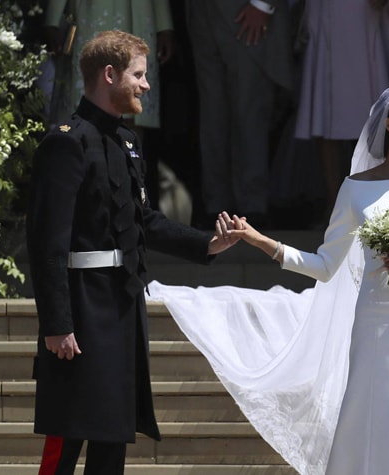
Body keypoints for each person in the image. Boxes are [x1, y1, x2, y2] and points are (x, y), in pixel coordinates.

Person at [149, 79, 389, 474]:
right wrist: (262, 241)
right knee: (376, 420)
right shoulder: (356, 188)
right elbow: (326, 265)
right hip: (376, 323)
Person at [26, 30, 239, 475]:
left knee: (112, 437)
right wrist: (57, 324)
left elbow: (142, 220)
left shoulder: (126, 141)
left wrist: (206, 243)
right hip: (82, 311)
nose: (145, 85)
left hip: (121, 307)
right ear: (109, 75)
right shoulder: (67, 141)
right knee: (66, 440)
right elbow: (48, 243)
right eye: (138, 75)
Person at [44, 0, 174, 208]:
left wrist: (164, 25)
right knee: (87, 111)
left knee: (132, 116)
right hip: (92, 16)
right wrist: (53, 19)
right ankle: (85, 204)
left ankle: (130, 206)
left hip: (138, 15)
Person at [185, 0, 293, 227]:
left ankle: (252, 206)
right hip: (201, 13)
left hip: (247, 11)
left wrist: (263, 4)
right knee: (212, 114)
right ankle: (216, 206)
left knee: (250, 111)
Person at [294, 0, 389, 220]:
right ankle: (335, 204)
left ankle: (378, 201)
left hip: (369, 16)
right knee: (325, 116)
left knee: (380, 118)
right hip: (328, 17)